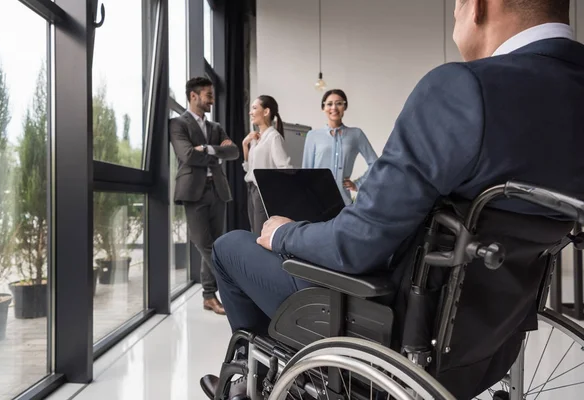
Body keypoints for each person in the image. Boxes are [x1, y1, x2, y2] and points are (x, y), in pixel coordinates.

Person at [203, 0, 584, 397]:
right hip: (491, 344)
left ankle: (254, 384)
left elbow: (354, 246)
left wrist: (285, 235)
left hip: (391, 328)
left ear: (478, 6)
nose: (455, 14)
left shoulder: (464, 88)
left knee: (231, 246)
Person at [169, 77, 239, 315]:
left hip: (218, 189)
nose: (211, 100)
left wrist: (208, 149)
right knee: (204, 244)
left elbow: (234, 152)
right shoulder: (177, 124)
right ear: (193, 96)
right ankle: (235, 285)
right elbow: (187, 155)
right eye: (208, 95)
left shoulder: (215, 128)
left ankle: (209, 296)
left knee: (216, 243)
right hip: (193, 192)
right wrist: (217, 153)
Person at [302, 89, 378, 205]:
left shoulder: (356, 134)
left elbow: (375, 163)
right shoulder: (313, 136)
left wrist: (358, 183)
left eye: (339, 103)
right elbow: (306, 170)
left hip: (343, 201)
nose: (334, 108)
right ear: (323, 108)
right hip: (317, 199)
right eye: (329, 104)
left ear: (345, 106)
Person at [242, 95, 293, 234]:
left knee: (261, 233)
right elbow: (249, 169)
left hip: (263, 191)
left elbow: (286, 168)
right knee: (254, 232)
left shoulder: (274, 137)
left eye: (254, 108)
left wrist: (273, 190)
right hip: (251, 189)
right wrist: (245, 145)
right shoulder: (255, 138)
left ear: (266, 112)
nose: (250, 112)